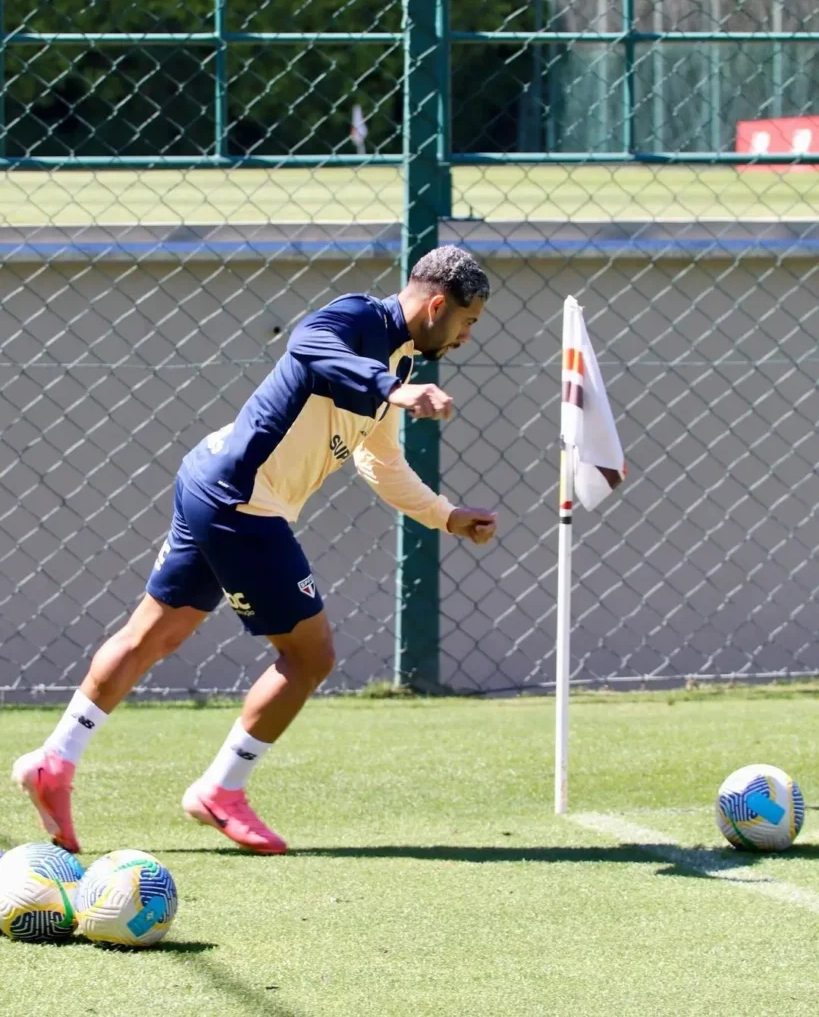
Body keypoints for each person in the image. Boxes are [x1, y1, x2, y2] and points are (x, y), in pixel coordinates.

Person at [11, 245, 498, 855]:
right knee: (310, 655)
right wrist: (390, 390)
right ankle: (221, 789)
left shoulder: (398, 364)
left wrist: (446, 515)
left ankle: (53, 762)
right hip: (242, 504)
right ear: (436, 304)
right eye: (468, 320)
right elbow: (307, 345)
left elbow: (381, 459)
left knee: (153, 634)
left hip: (213, 485)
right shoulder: (357, 319)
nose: (466, 336)